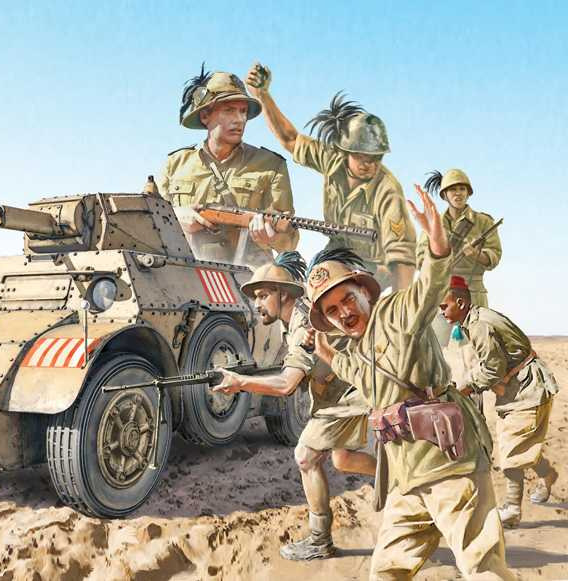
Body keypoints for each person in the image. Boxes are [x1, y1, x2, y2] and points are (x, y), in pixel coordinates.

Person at [305, 185, 512, 580]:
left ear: (364, 291)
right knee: (386, 572)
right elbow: (358, 374)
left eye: (346, 299)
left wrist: (436, 248)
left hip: (449, 465)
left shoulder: (396, 312)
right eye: (331, 311)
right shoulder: (359, 348)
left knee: (483, 568)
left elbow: (428, 288)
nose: (343, 313)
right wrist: (329, 356)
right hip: (406, 478)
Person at [212, 251, 375, 560]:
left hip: (348, 395)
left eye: (263, 295)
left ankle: (319, 540)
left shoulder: (303, 323)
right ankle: (400, 478)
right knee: (342, 460)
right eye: (255, 297)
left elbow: (287, 385)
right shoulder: (297, 316)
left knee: (305, 456)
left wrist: (240, 382)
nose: (256, 303)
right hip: (344, 391)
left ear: (283, 294)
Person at [244, 63, 415, 290]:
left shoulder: (387, 190)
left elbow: (402, 259)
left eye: (376, 158)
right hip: (336, 255)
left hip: (374, 267)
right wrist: (262, 96)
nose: (369, 164)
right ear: (345, 152)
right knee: (312, 283)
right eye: (362, 156)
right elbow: (290, 139)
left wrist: (400, 305)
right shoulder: (332, 160)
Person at [441, 275, 560, 528]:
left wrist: (462, 388)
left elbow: (492, 369)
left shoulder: (479, 325)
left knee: (510, 452)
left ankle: (512, 509)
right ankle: (548, 474)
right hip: (521, 389)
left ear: (460, 303)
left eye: (444, 306)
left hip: (526, 391)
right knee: (521, 446)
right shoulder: (474, 320)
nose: (441, 312)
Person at [154, 65, 299, 266]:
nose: (239, 120)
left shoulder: (271, 165)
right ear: (205, 116)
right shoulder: (176, 164)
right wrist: (177, 217)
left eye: (243, 111)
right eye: (229, 110)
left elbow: (290, 239)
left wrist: (271, 238)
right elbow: (147, 218)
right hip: (188, 273)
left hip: (248, 278)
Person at [418, 169, 502, 307]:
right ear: (444, 195)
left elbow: (495, 255)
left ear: (468, 193)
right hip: (441, 293)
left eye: (462, 189)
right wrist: (439, 257)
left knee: (476, 322)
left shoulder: (483, 222)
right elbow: (420, 259)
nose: (458, 193)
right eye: (453, 189)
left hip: (473, 293)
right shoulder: (434, 224)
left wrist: (477, 254)